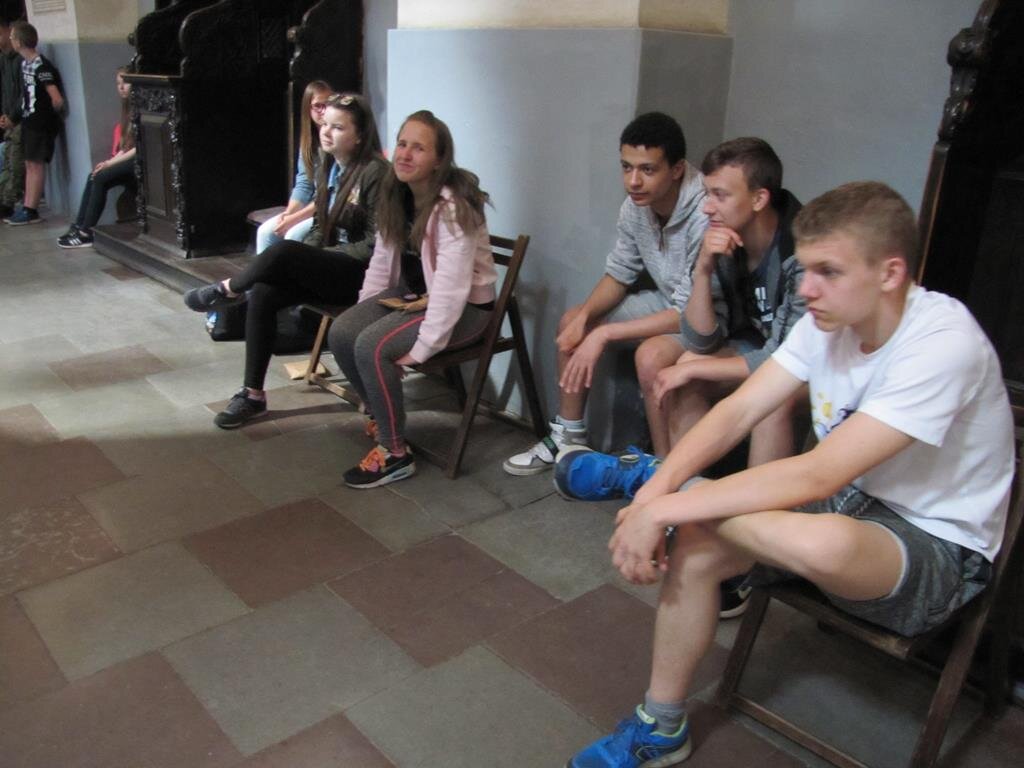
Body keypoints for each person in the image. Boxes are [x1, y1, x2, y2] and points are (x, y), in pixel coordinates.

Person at [564, 181, 1015, 768]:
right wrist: (658, 492)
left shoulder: (943, 342)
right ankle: (662, 725)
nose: (805, 289)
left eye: (828, 271)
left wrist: (664, 503)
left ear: (890, 273)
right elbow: (739, 411)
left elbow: (818, 474)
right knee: (697, 542)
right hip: (850, 501)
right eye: (805, 268)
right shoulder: (827, 323)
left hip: (937, 546)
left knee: (818, 541)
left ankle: (648, 478)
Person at [503, 112, 707, 476]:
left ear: (677, 169)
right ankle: (569, 436)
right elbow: (620, 273)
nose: (633, 181)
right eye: (626, 167)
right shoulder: (636, 207)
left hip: (705, 319)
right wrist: (585, 319)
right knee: (573, 322)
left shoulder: (704, 211)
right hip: (667, 301)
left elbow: (690, 313)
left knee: (649, 355)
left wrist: (605, 333)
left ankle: (663, 472)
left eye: (647, 169)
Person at [183, 93, 386, 428]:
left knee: (283, 250)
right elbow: (320, 227)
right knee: (265, 290)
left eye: (338, 127)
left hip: (361, 275)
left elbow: (375, 245)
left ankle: (228, 290)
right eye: (325, 124)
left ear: (360, 136)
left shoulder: (376, 173)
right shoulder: (328, 165)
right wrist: (310, 257)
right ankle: (253, 395)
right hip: (332, 268)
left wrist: (315, 257)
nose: (326, 132)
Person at [327, 109, 496, 489]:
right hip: (419, 295)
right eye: (402, 144)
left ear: (439, 160)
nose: (405, 154)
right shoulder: (397, 193)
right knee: (342, 332)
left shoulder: (454, 207)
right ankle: (380, 413)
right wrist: (363, 311)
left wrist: (421, 351)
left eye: (418, 148)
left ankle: (394, 453)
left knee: (372, 347)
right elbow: (381, 264)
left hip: (467, 309)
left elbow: (451, 289)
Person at [56, 66, 136, 248]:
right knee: (94, 176)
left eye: (125, 82)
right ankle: (79, 226)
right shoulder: (127, 109)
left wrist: (110, 164)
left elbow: (137, 148)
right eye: (118, 83)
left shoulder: (140, 107)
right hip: (128, 157)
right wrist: (108, 163)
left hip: (139, 162)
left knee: (100, 177)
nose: (121, 87)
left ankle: (86, 232)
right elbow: (125, 146)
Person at [255, 79, 333, 253]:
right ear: (308, 109)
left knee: (293, 234)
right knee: (265, 232)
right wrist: (289, 213)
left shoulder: (335, 141)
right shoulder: (309, 142)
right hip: (312, 207)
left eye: (328, 104)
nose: (324, 110)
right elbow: (304, 184)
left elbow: (331, 194)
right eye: (318, 106)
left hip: (330, 209)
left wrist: (295, 218)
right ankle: (265, 271)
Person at [4, 21, 64, 226]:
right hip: (29, 120)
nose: (10, 40)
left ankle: (31, 209)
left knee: (36, 164)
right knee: (29, 163)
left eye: (12, 37)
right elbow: (25, 95)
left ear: (19, 42)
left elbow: (56, 98)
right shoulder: (24, 64)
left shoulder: (41, 66)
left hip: (39, 123)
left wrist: (47, 115)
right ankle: (27, 206)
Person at [0, 16, 24, 219]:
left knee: (16, 160)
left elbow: (23, 93)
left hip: (21, 119)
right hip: (9, 117)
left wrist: (13, 116)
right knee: (7, 159)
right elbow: (5, 91)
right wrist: (4, 114)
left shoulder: (20, 59)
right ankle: (3, 199)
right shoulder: (3, 58)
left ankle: (8, 202)